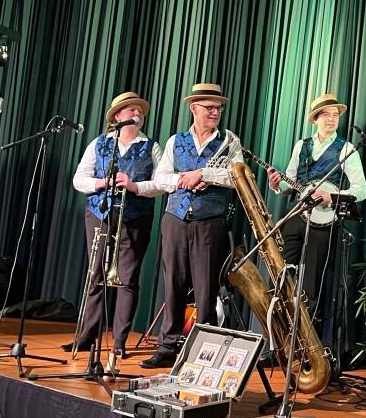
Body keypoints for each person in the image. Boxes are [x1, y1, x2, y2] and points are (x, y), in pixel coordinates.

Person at [140, 83, 242, 369]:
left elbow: (237, 177)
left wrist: (204, 174)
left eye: (218, 108)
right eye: (209, 108)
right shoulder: (176, 140)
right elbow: (161, 179)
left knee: (206, 288)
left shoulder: (230, 142)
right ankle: (167, 347)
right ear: (194, 108)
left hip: (209, 222)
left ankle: (202, 352)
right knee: (173, 284)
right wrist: (183, 179)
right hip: (175, 219)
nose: (215, 112)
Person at [69, 92, 163, 358]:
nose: (137, 113)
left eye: (140, 110)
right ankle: (87, 337)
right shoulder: (100, 143)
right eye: (132, 109)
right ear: (118, 116)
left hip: (135, 217)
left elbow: (161, 183)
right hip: (99, 214)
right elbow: (79, 178)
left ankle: (119, 341)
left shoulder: (151, 147)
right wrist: (101, 183)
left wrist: (134, 186)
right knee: (96, 274)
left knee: (127, 279)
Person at [265, 93, 366, 335]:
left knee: (311, 284)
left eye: (335, 115)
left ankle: (305, 339)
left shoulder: (347, 149)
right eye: (326, 115)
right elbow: (288, 183)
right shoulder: (301, 146)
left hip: (324, 223)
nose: (331, 119)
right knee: (280, 271)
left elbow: (360, 190)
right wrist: (276, 184)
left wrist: (331, 196)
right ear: (315, 119)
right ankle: (277, 333)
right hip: (296, 215)